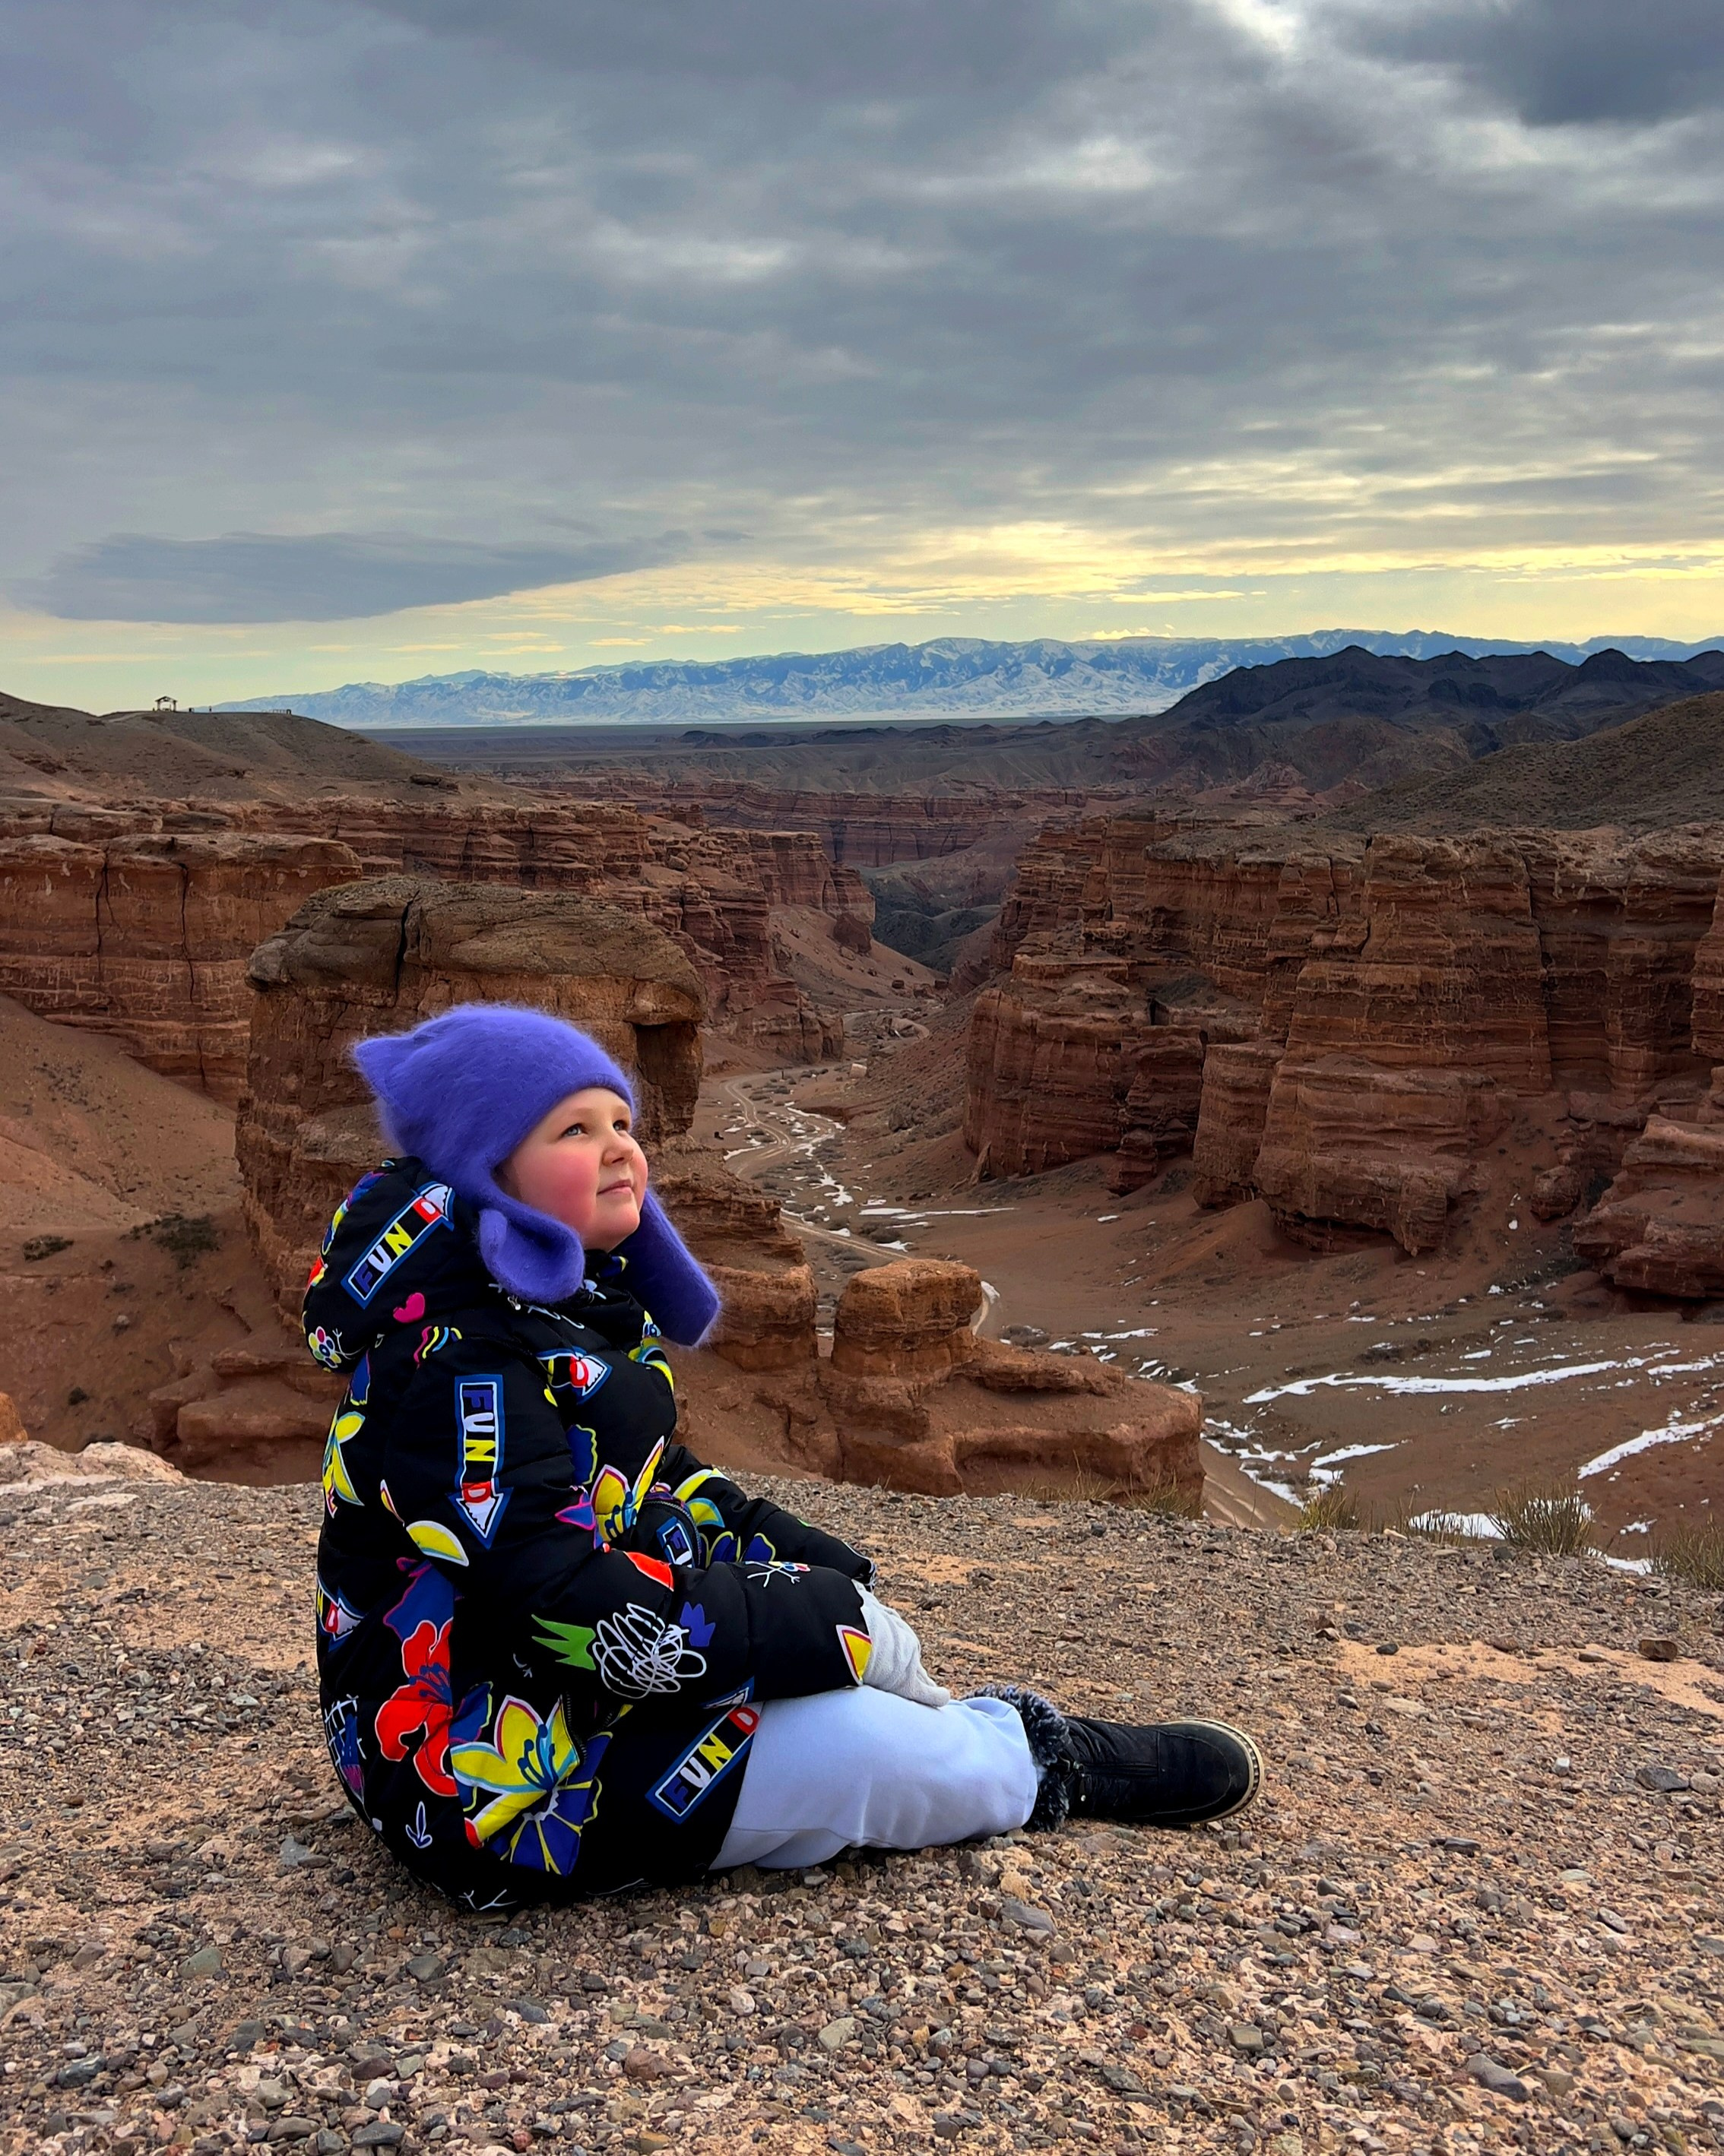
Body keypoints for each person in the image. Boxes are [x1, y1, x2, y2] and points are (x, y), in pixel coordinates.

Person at [306, 1003, 1261, 1908]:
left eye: (622, 1121)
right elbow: (559, 1602)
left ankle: (953, 1727)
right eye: (573, 1129)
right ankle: (1041, 1764)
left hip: (554, 1697)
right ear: (488, 1169)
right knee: (849, 1745)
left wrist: (787, 1548)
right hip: (482, 1778)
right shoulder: (458, 1364)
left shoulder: (549, 1306)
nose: (619, 1147)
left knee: (845, 1640)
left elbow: (638, 1474)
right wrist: (814, 1618)